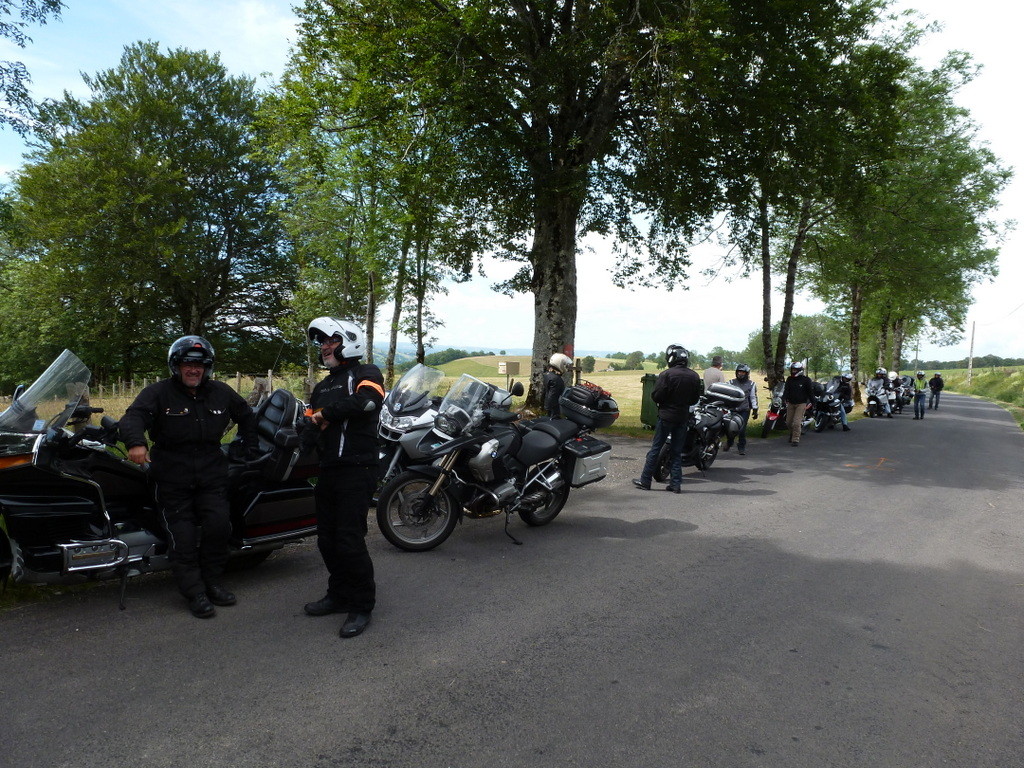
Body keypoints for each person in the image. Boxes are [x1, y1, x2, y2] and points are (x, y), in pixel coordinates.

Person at [120, 336, 258, 619]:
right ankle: (194, 592)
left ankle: (213, 583)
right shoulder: (158, 393)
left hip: (211, 472)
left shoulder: (221, 392)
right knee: (181, 537)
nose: (193, 369)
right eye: (187, 363)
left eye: (200, 364)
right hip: (172, 475)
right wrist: (136, 442)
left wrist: (248, 445)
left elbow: (247, 415)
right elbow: (133, 417)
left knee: (220, 528)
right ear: (176, 365)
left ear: (207, 367)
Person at [302, 317, 385, 639]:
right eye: (320, 342)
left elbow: (367, 401)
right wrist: (295, 442)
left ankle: (362, 605)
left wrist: (326, 415)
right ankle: (338, 595)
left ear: (348, 340)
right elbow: (310, 427)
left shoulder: (366, 373)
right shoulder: (322, 387)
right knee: (326, 539)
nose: (324, 347)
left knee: (350, 540)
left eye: (330, 340)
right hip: (329, 471)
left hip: (358, 468)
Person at [633, 344, 702, 493]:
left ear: (672, 358)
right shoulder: (694, 376)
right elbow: (694, 399)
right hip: (683, 417)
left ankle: (645, 480)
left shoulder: (667, 374)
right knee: (676, 451)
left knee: (656, 448)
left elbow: (656, 395)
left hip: (666, 416)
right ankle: (676, 483)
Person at [724, 364, 758, 455]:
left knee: (741, 429)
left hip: (744, 409)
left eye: (742, 372)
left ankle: (741, 446)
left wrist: (755, 409)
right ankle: (729, 442)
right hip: (732, 409)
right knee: (729, 428)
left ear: (747, 373)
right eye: (739, 372)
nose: (740, 374)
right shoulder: (730, 382)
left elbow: (753, 397)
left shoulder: (751, 384)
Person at [782, 361, 814, 446]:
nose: (793, 371)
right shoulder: (789, 379)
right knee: (788, 422)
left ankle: (795, 439)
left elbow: (810, 393)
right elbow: (786, 390)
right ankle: (792, 433)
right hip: (791, 403)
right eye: (792, 369)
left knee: (796, 423)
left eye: (795, 370)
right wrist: (783, 399)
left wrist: (814, 403)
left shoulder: (806, 380)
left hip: (801, 404)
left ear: (800, 370)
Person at [543, 353, 573, 417]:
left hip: (547, 406)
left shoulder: (548, 375)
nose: (565, 367)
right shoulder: (557, 380)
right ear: (559, 364)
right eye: (564, 364)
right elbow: (553, 396)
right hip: (554, 410)